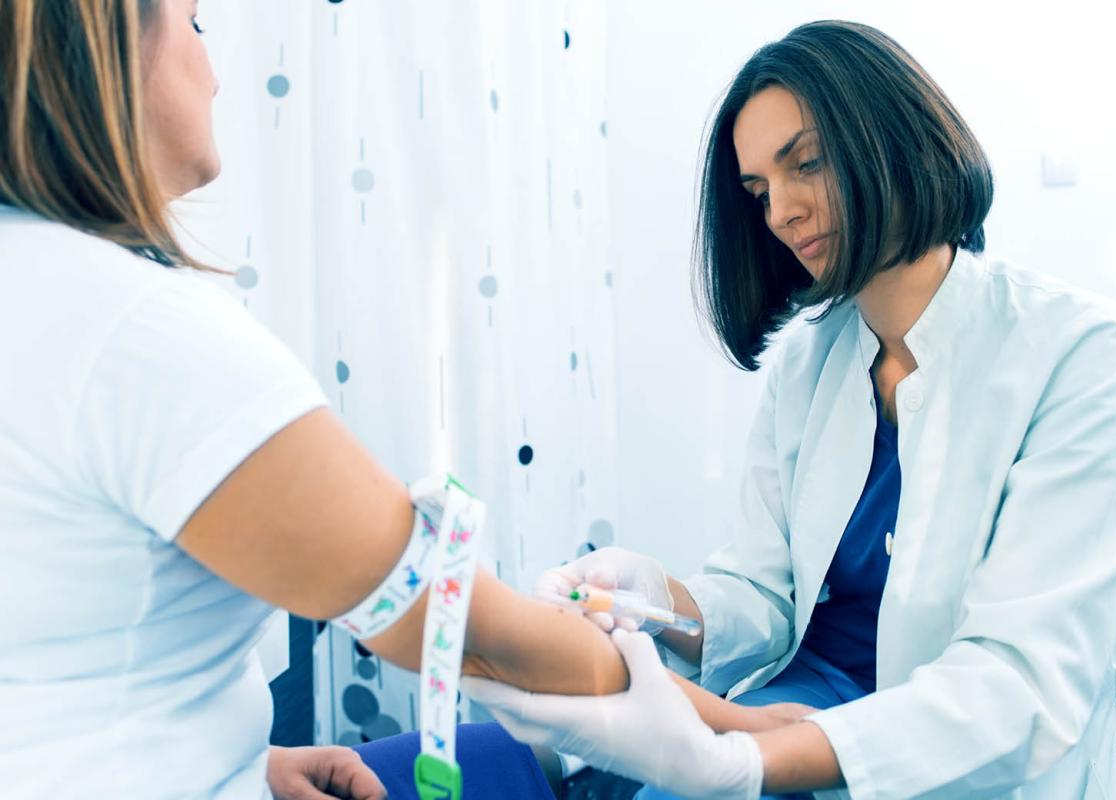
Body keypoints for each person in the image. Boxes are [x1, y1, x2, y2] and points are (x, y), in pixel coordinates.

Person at [1, 2, 814, 797]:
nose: (215, 75)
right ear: (106, 43)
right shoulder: (140, 334)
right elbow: (467, 630)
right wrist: (752, 736)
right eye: (196, 24)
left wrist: (251, 761)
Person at [464, 20, 1116, 799]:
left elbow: (1017, 690)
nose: (781, 214)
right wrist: (652, 600)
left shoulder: (1085, 354)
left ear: (896, 137)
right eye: (759, 191)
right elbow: (764, 596)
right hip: (806, 700)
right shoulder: (813, 358)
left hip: (967, 750)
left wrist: (749, 760)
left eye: (809, 164)